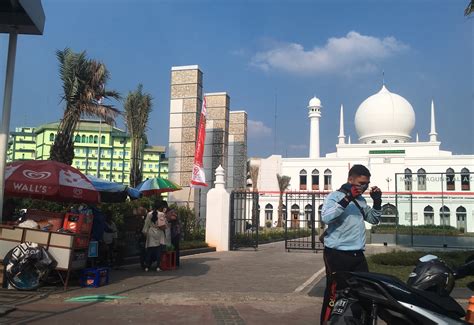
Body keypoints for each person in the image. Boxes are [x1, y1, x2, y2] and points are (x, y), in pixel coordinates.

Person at [319, 164, 382, 324]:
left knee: (365, 293)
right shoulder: (334, 196)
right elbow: (326, 217)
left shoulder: (361, 200)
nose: (364, 186)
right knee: (336, 294)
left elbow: (373, 219)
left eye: (367, 184)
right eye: (361, 183)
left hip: (357, 255)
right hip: (336, 254)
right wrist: (347, 199)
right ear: (350, 180)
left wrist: (377, 202)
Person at [142, 201, 168, 272]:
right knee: (158, 251)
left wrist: (145, 233)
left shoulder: (149, 214)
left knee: (149, 251)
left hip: (150, 233)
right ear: (160, 207)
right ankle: (158, 267)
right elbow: (162, 226)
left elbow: (146, 225)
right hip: (159, 233)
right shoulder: (161, 214)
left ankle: (147, 267)